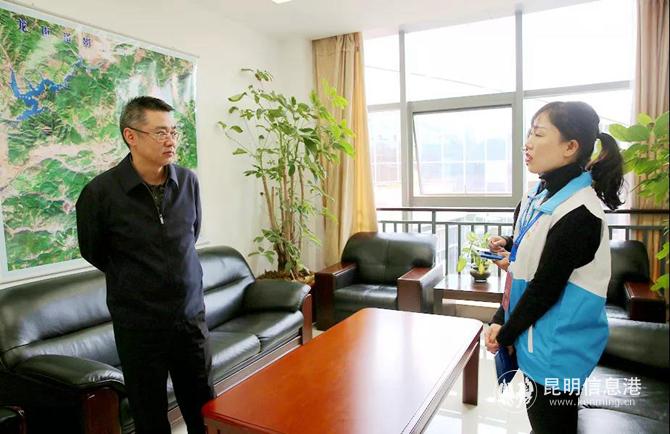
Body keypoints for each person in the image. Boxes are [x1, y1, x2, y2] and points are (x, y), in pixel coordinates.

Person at [484, 101, 624, 434]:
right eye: (529, 133)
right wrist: (501, 316)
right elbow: (527, 258)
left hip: (558, 352)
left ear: (570, 147)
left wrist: (505, 332)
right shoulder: (537, 195)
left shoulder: (580, 212)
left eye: (538, 134)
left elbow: (545, 289)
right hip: (535, 341)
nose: (527, 143)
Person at [76, 96, 213, 434]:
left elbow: (189, 237)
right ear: (131, 136)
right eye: (160, 132)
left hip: (189, 319)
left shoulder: (188, 182)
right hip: (139, 327)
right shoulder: (100, 193)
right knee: (149, 415)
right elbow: (94, 251)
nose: (170, 140)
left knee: (203, 408)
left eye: (173, 132)